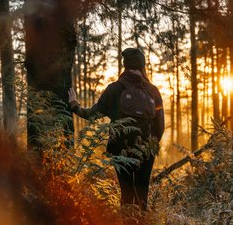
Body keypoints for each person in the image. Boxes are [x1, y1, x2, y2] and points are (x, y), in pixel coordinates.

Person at [68, 48, 164, 210]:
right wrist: (148, 148)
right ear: (142, 66)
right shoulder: (153, 91)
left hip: (120, 149)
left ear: (125, 66)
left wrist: (74, 105)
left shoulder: (114, 89)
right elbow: (160, 127)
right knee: (142, 198)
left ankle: (126, 218)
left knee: (126, 195)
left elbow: (92, 114)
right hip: (146, 151)